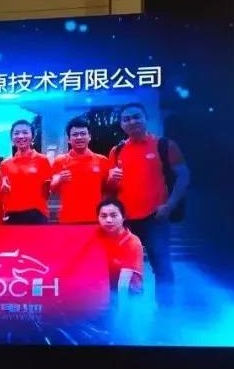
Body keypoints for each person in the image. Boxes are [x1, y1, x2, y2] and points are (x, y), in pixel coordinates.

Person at [106, 103, 189, 304]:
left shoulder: (164, 145)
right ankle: (122, 309)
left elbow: (183, 175)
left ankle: (165, 311)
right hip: (125, 220)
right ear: (121, 124)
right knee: (120, 266)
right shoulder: (116, 151)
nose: (132, 122)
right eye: (126, 119)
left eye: (136, 117)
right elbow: (110, 186)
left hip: (155, 217)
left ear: (145, 118)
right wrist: (110, 179)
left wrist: (169, 205)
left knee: (162, 266)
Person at [51, 117, 111, 224]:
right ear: (69, 139)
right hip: (68, 219)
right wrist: (59, 179)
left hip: (95, 218)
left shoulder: (102, 160)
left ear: (89, 136)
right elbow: (53, 189)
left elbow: (109, 190)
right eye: (75, 134)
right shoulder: (59, 161)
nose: (79, 137)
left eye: (83, 134)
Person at [0, 120, 52, 224]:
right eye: (16, 133)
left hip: (37, 215)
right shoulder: (5, 164)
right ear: (12, 138)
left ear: (32, 136)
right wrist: (3, 189)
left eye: (25, 132)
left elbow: (47, 193)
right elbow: (4, 193)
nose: (20, 136)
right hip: (12, 215)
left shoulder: (42, 160)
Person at [96, 199, 144, 294]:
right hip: (102, 289)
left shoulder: (132, 242)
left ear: (123, 217)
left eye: (114, 215)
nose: (108, 220)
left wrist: (121, 304)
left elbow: (124, 283)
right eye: (103, 216)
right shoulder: (93, 236)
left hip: (127, 290)